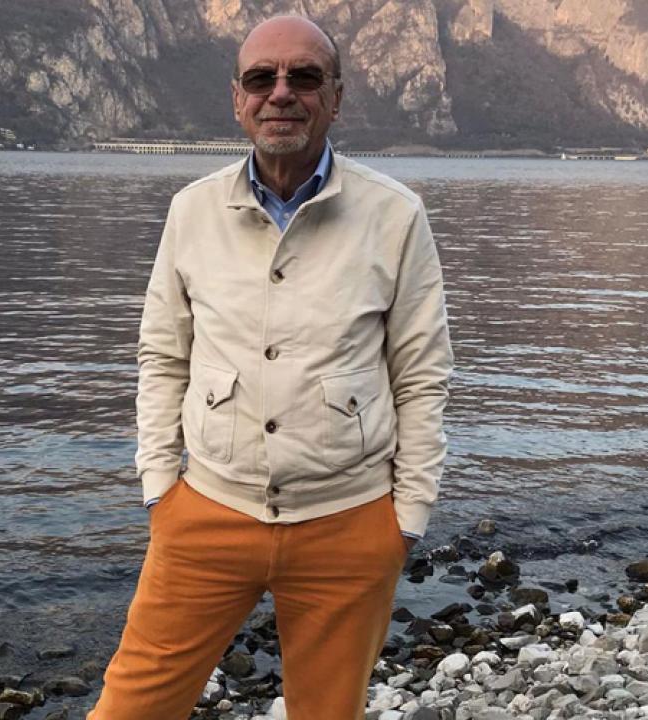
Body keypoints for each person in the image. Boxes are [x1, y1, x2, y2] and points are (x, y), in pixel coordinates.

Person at [88, 14, 453, 720]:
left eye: (304, 77)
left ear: (335, 97)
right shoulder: (192, 212)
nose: (281, 92)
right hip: (205, 513)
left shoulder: (395, 216)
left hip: (349, 521)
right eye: (262, 78)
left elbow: (421, 374)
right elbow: (162, 355)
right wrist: (160, 486)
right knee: (130, 708)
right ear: (238, 98)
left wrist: (406, 518)